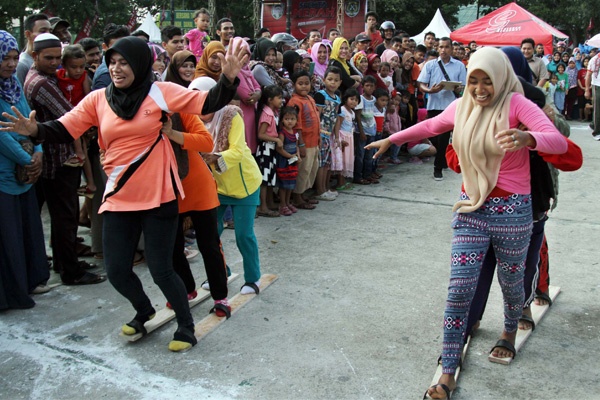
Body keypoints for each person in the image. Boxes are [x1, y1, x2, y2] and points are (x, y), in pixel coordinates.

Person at [1, 36, 247, 351]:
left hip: (160, 194)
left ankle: (186, 326)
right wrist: (34, 130)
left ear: (140, 64)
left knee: (161, 268)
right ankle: (144, 309)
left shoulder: (161, 92)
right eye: (112, 62)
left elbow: (207, 103)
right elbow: (65, 128)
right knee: (117, 270)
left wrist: (227, 78)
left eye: (124, 62)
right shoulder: (98, 99)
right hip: (119, 194)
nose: (117, 69)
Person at [366, 46, 568, 399]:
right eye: (472, 80)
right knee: (459, 289)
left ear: (501, 78)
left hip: (513, 211)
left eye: (486, 80)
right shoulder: (463, 107)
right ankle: (447, 370)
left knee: (511, 281)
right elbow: (430, 125)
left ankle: (508, 330)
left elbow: (558, 140)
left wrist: (527, 137)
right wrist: (391, 139)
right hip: (471, 209)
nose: (479, 88)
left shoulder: (519, 105)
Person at [25, 33, 100, 282]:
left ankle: (63, 263)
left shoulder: (45, 77)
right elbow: (71, 117)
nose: (54, 62)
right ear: (35, 56)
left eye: (58, 58)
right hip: (58, 159)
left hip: (56, 156)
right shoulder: (42, 83)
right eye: (49, 58)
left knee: (62, 217)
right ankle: (70, 271)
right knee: (65, 218)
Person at [163, 49, 231, 317]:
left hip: (197, 186)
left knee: (209, 245)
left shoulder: (181, 107)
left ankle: (221, 296)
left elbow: (206, 142)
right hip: (168, 187)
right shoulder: (139, 112)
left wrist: (173, 133)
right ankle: (187, 288)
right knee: (172, 246)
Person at [187, 76, 263, 295]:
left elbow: (239, 151)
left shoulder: (231, 115)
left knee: (243, 235)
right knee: (210, 236)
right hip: (215, 187)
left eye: (205, 100)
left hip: (244, 185)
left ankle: (253, 278)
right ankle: (221, 273)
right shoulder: (191, 120)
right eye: (195, 101)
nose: (201, 106)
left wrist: (214, 157)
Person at [0, 30, 50, 310]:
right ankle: (11, 293)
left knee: (25, 231)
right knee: (7, 237)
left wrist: (39, 153)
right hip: (6, 174)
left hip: (24, 174)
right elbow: (2, 135)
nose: (9, 64)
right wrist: (28, 159)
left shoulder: (13, 87)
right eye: (3, 59)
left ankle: (29, 282)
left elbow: (29, 122)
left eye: (12, 58)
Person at [417, 37, 466, 181]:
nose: (443, 50)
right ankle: (444, 157)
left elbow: (463, 86)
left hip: (450, 106)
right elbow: (421, 83)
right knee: (434, 135)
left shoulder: (459, 65)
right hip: (433, 104)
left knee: (444, 137)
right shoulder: (430, 65)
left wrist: (458, 88)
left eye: (446, 47)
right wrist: (430, 90)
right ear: (437, 48)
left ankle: (437, 169)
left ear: (451, 48)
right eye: (441, 47)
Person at [287, 70, 320, 209]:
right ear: (294, 85)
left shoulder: (310, 98)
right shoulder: (294, 102)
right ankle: (297, 198)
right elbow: (297, 125)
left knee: (312, 168)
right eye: (300, 84)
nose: (304, 87)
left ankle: (303, 194)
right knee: (303, 170)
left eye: (306, 83)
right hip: (304, 142)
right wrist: (300, 144)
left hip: (314, 141)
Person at [314, 66, 343, 200]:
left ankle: (325, 188)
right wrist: (317, 134)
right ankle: (320, 190)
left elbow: (337, 119)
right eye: (330, 79)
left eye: (336, 80)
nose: (333, 82)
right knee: (321, 163)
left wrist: (336, 136)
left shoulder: (337, 98)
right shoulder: (320, 95)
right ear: (324, 80)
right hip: (320, 133)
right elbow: (317, 116)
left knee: (327, 163)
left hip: (329, 135)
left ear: (340, 82)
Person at [255, 84, 284, 217]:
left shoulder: (273, 112)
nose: (281, 100)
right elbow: (261, 134)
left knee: (270, 176)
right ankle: (263, 206)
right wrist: (276, 140)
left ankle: (270, 203)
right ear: (270, 99)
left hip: (270, 148)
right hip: (266, 148)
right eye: (279, 98)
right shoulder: (267, 114)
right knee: (265, 179)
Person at [231, 37, 261, 155]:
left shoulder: (247, 69)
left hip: (251, 113)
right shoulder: (235, 71)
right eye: (240, 54)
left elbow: (257, 86)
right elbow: (246, 95)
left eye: (246, 55)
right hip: (242, 114)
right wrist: (257, 93)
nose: (244, 59)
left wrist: (258, 93)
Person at [275, 106, 301, 216]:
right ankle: (282, 204)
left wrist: (298, 156)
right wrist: (290, 156)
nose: (289, 121)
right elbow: (279, 148)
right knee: (284, 185)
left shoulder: (295, 132)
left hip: (293, 161)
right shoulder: (282, 133)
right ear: (282, 120)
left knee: (291, 183)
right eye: (287, 119)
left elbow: (296, 145)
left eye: (292, 119)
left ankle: (288, 202)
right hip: (284, 162)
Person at [333, 88, 359, 186]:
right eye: (351, 99)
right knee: (342, 161)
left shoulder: (352, 112)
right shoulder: (343, 110)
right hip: (343, 137)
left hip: (349, 137)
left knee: (347, 159)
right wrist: (340, 140)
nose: (354, 102)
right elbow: (338, 126)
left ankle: (343, 181)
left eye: (356, 100)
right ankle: (340, 182)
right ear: (346, 99)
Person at [16, 13, 51, 85]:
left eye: (50, 31)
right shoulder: (22, 65)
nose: (49, 34)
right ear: (28, 34)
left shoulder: (52, 61)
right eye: (43, 31)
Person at [585, 52, 600, 139]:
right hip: (597, 85)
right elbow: (588, 75)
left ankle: (592, 124)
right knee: (597, 109)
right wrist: (587, 90)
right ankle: (596, 132)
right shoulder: (594, 60)